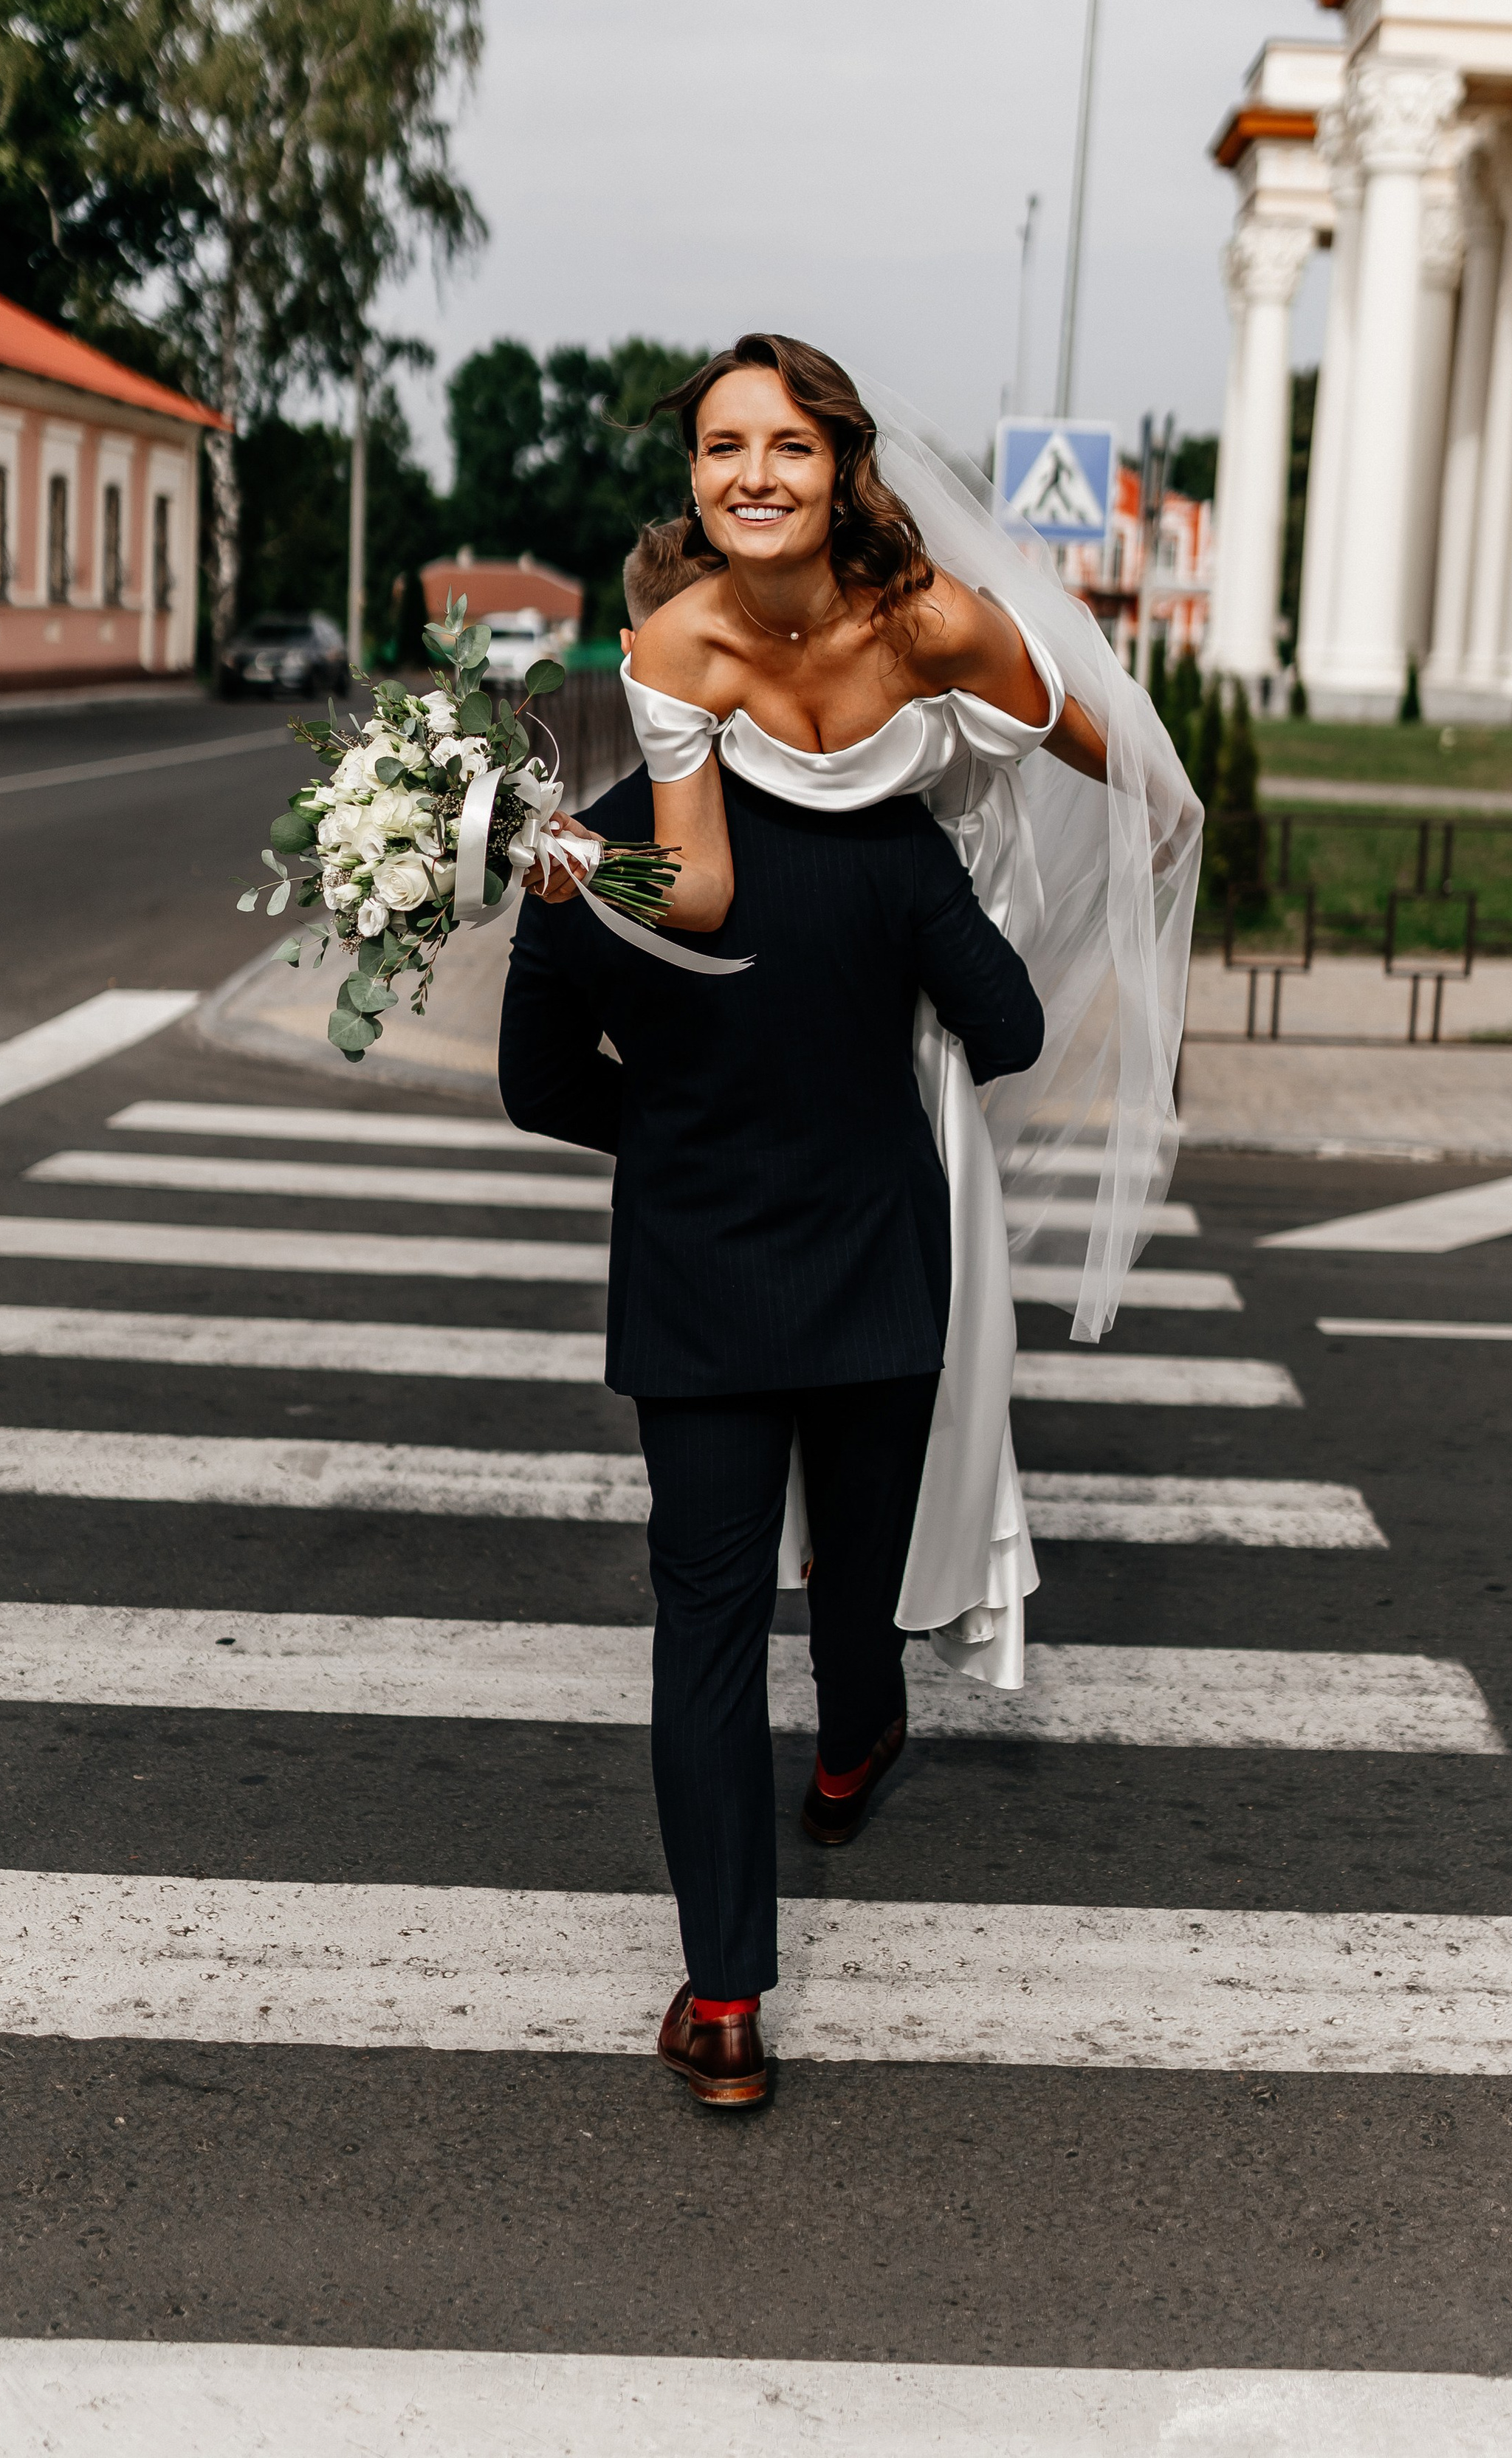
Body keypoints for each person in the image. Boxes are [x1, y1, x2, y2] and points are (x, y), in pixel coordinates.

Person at [535, 335, 1202, 1705]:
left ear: (841, 469)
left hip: (935, 925)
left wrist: (1149, 840)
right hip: (823, 973)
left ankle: (888, 1603)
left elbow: (1094, 739)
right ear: (696, 476)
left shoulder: (932, 619)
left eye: (788, 444)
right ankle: (848, 1623)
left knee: (927, 1335)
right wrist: (565, 856)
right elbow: (706, 888)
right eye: (724, 447)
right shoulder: (679, 640)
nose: (755, 474)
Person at [500, 548, 1045, 2109]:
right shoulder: (880, 830)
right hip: (878, 1265)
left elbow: (538, 1085)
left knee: (709, 1626)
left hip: (698, 1278)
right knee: (856, 1562)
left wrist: (673, 1135)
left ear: (643, 652)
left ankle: (726, 1997)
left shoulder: (587, 854)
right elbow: (1000, 1026)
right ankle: (849, 1753)